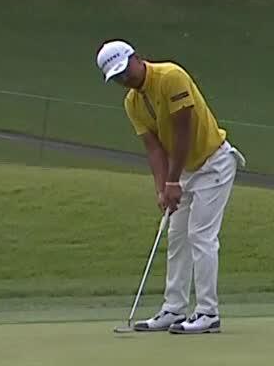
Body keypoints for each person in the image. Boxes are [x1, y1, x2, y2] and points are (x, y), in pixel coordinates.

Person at [97, 40, 245, 335]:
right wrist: (162, 188)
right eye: (117, 78)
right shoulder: (132, 103)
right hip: (185, 170)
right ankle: (174, 308)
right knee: (176, 236)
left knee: (200, 235)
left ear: (137, 58)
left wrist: (174, 180)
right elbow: (154, 149)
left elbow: (182, 132)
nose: (125, 79)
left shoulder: (170, 77)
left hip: (213, 162)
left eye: (125, 71)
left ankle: (207, 312)